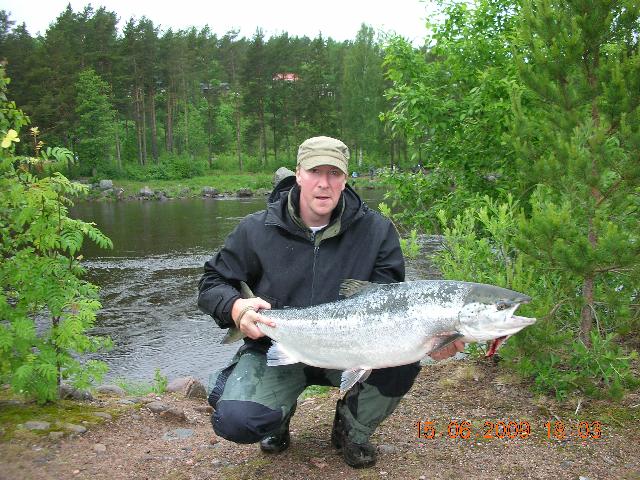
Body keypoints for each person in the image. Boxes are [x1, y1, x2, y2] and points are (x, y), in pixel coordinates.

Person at [197, 136, 463, 468]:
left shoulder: (377, 232)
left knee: (403, 362)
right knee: (237, 421)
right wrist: (236, 308)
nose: (324, 183)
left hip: (353, 348)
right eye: (315, 172)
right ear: (298, 174)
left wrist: (428, 341)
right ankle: (276, 420)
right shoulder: (255, 230)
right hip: (277, 344)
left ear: (345, 179)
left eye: (334, 173)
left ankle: (352, 429)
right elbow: (211, 283)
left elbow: (390, 304)